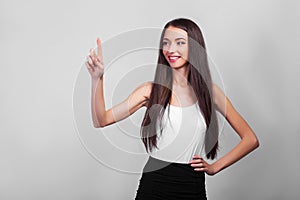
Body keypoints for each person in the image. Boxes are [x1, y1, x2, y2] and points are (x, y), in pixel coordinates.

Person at [85, 18, 259, 200]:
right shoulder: (151, 90)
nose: (171, 49)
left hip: (192, 185)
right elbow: (101, 120)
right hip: (154, 184)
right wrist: (97, 79)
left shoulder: (210, 93)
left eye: (180, 43)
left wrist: (215, 167)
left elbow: (251, 139)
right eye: (166, 43)